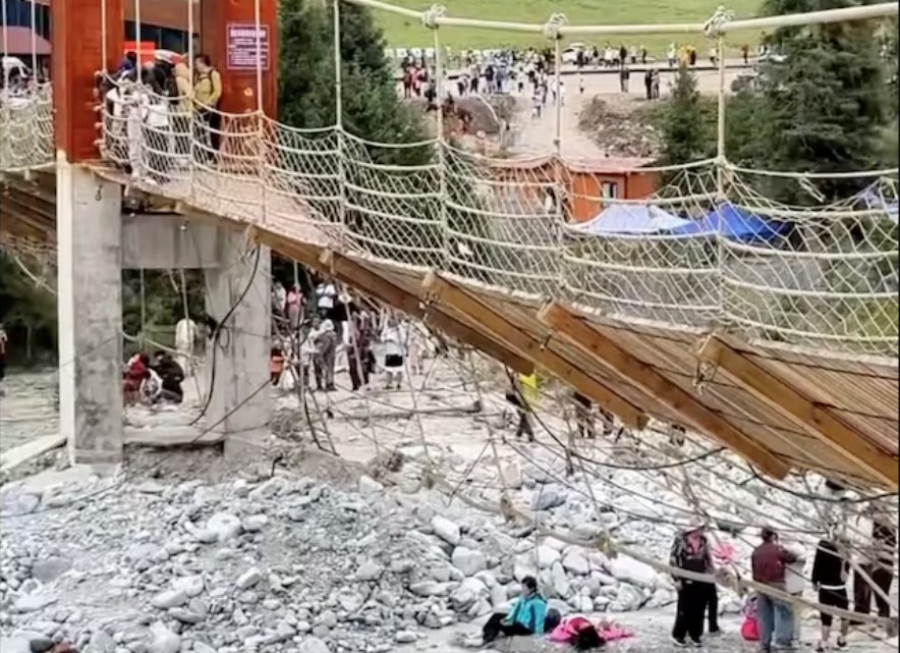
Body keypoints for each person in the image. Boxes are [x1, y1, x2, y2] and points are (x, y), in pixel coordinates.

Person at [751, 526, 799, 652]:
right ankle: (782, 642)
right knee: (784, 612)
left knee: (765, 616)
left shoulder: (756, 551)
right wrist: (784, 547)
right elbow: (792, 558)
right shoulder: (777, 549)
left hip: (760, 585)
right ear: (773, 536)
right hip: (776, 584)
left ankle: (764, 644)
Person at [670, 518, 714, 647]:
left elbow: (708, 560)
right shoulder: (681, 541)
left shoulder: (704, 541)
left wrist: (711, 575)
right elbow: (673, 560)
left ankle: (695, 635)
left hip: (700, 577)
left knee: (699, 608)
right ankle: (679, 635)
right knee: (685, 608)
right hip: (684, 576)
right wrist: (676, 579)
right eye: (700, 528)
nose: (702, 531)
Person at [482, 576, 550, 643]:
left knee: (501, 624)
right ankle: (486, 636)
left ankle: (489, 639)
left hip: (527, 628)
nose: (522, 590)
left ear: (531, 589)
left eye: (524, 588)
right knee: (497, 616)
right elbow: (515, 610)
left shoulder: (538, 603)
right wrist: (507, 619)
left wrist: (538, 635)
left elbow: (539, 620)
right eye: (522, 587)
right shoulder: (523, 598)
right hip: (518, 621)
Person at [812, 536, 850, 652]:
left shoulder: (822, 547)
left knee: (826, 618)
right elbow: (844, 578)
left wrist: (814, 581)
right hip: (840, 589)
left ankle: (824, 643)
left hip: (826, 589)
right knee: (845, 615)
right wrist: (843, 563)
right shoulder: (845, 554)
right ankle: (842, 640)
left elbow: (816, 566)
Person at [193, 54, 223, 161]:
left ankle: (213, 157)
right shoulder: (198, 77)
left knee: (211, 135)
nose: (196, 66)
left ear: (203, 63)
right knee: (200, 135)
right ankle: (202, 157)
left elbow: (217, 92)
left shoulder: (213, 74)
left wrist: (207, 103)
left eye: (197, 64)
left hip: (209, 110)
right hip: (198, 110)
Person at [380, 315, 407, 390]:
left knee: (399, 369)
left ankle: (399, 383)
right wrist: (386, 339)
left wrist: (394, 340)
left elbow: (403, 339)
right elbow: (382, 337)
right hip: (389, 351)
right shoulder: (387, 329)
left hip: (398, 351)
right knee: (388, 369)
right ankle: (389, 383)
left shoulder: (400, 329)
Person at [313, 319, 338, 392]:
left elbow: (324, 346)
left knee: (323, 369)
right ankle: (329, 384)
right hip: (331, 354)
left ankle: (324, 384)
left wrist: (320, 354)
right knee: (330, 369)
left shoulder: (326, 335)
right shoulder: (333, 334)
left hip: (326, 354)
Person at [0, 321, 7, 396]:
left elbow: (4, 341)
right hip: (2, 354)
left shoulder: (2, 333)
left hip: (1, 355)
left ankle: (2, 389)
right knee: (2, 374)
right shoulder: (2, 333)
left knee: (2, 374)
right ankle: (2, 389)